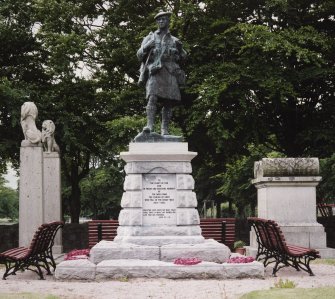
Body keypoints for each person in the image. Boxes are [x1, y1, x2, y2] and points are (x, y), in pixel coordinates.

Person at [137, 10, 186, 135]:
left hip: (170, 72)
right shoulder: (150, 37)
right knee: (152, 97)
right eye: (158, 20)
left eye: (163, 19)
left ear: (168, 21)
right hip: (155, 71)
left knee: (168, 102)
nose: (161, 21)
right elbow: (139, 55)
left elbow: (184, 57)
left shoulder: (175, 40)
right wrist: (147, 46)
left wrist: (180, 50)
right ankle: (150, 126)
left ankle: (164, 129)